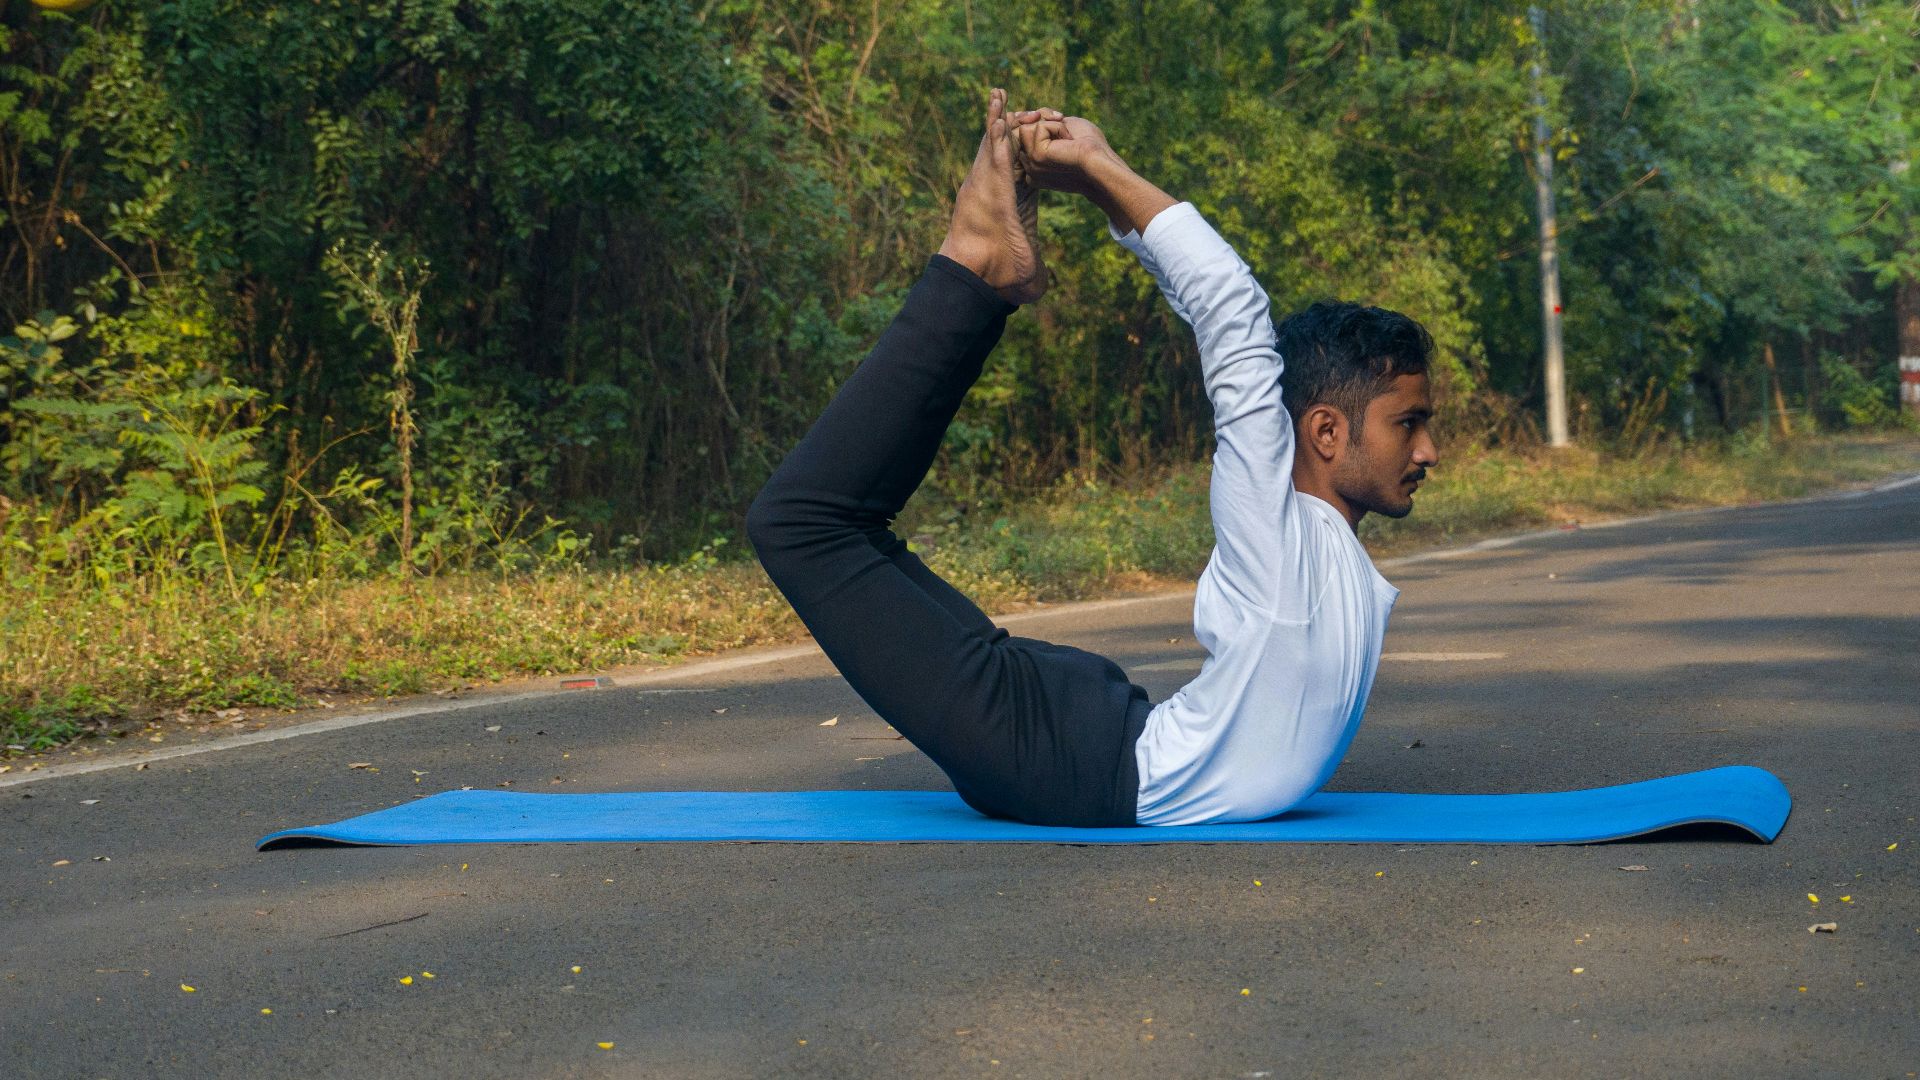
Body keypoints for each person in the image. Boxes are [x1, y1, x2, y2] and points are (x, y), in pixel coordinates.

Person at [745, 89, 1440, 828]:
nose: (1428, 450)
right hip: (1057, 758)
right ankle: (974, 266)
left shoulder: (1323, 548)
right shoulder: (1272, 525)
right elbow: (1230, 308)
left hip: (1084, 737)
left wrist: (1101, 188)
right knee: (803, 524)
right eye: (1409, 424)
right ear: (1326, 433)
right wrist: (1103, 171)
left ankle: (984, 275)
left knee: (845, 532)